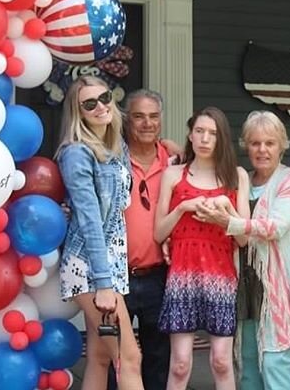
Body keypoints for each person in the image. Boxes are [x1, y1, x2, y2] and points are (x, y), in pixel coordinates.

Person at [195, 110, 290, 390]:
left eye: (269, 143)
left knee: (274, 361)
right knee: (247, 362)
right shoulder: (241, 181)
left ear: (281, 145)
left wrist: (230, 222)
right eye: (255, 143)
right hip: (243, 285)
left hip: (277, 287)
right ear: (246, 146)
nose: (262, 150)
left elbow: (276, 226)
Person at [56, 76, 144, 390]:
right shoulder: (77, 154)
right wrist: (104, 285)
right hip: (91, 268)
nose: (100, 107)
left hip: (111, 265)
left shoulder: (115, 146)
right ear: (77, 112)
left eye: (104, 98)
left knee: (100, 357)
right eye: (89, 104)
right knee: (129, 358)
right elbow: (91, 222)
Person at [154, 106, 250, 390]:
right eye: (200, 131)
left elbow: (244, 237)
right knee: (180, 364)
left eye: (213, 133)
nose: (205, 139)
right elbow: (159, 233)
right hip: (182, 276)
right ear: (190, 135)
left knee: (221, 360)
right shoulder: (173, 174)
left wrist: (226, 208)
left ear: (222, 139)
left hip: (221, 277)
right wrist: (183, 207)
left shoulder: (236, 175)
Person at [120, 89, 173, 390]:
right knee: (118, 357)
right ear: (127, 120)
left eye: (153, 116)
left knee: (158, 357)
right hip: (119, 278)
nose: (147, 123)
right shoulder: (111, 160)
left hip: (159, 276)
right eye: (139, 116)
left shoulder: (174, 163)